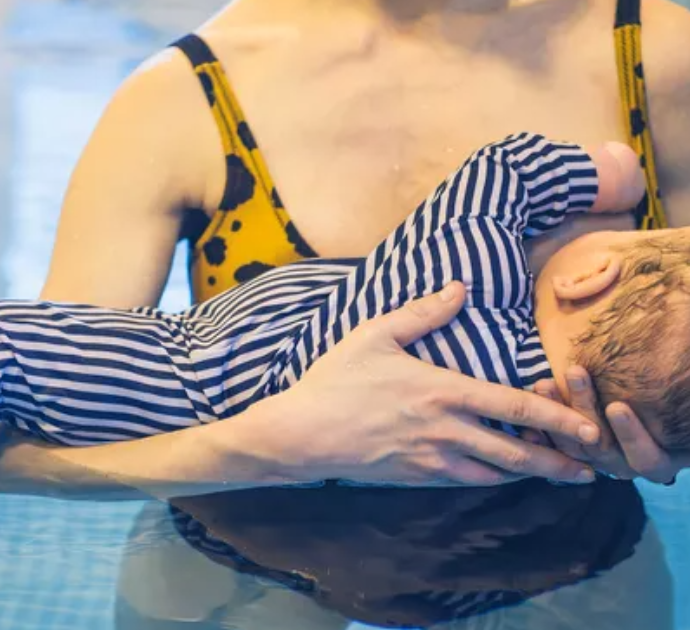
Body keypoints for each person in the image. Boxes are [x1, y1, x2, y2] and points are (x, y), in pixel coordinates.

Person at [2, 0, 689, 497]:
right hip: (244, 562)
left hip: (564, 567)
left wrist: (665, 444)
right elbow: (36, 433)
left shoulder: (661, 60)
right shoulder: (185, 94)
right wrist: (254, 449)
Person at [3, 132, 676, 468]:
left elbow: (507, 168)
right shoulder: (545, 424)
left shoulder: (461, 279)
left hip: (145, 374)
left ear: (590, 277)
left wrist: (615, 175)